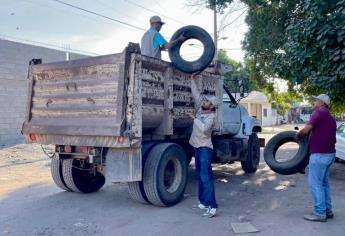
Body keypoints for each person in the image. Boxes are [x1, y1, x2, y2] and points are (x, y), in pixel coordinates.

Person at [296, 94, 337, 222]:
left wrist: (297, 135)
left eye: (316, 100)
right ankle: (327, 210)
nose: (314, 102)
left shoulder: (318, 114)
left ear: (322, 102)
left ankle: (319, 213)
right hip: (330, 154)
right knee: (324, 184)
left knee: (316, 184)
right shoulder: (331, 117)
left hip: (319, 155)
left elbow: (306, 130)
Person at [189, 72, 218, 218]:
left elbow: (205, 129)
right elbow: (196, 95)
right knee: (200, 176)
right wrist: (192, 79)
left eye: (207, 101)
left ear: (212, 107)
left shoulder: (211, 117)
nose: (204, 101)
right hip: (197, 147)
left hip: (205, 149)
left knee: (206, 177)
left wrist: (195, 119)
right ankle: (203, 201)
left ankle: (212, 206)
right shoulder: (202, 109)